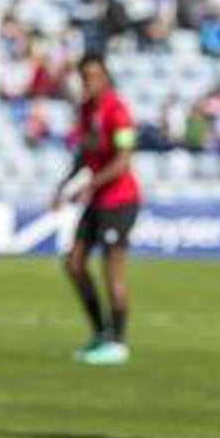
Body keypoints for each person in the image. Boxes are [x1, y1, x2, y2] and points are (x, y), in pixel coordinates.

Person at [53, 53, 142, 367]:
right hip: (96, 198)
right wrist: (65, 185)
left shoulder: (117, 110)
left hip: (120, 199)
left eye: (94, 75)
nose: (88, 81)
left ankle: (117, 342)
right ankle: (101, 333)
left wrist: (86, 185)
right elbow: (84, 153)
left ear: (105, 77)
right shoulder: (85, 109)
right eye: (84, 76)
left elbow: (123, 160)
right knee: (73, 263)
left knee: (112, 270)